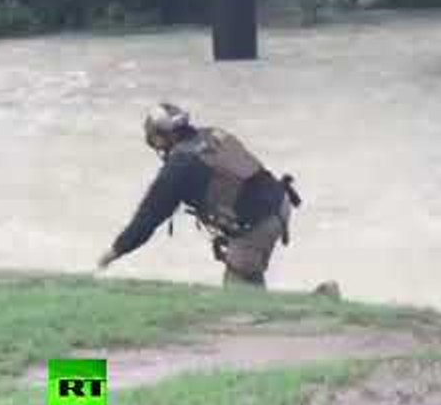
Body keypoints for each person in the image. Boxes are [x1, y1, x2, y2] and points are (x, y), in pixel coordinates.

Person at [97, 103, 301, 288]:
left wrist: (114, 252)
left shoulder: (179, 166)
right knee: (248, 271)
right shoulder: (212, 134)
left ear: (161, 138)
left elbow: (148, 217)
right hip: (280, 200)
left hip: (258, 223)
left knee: (238, 288)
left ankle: (310, 305)